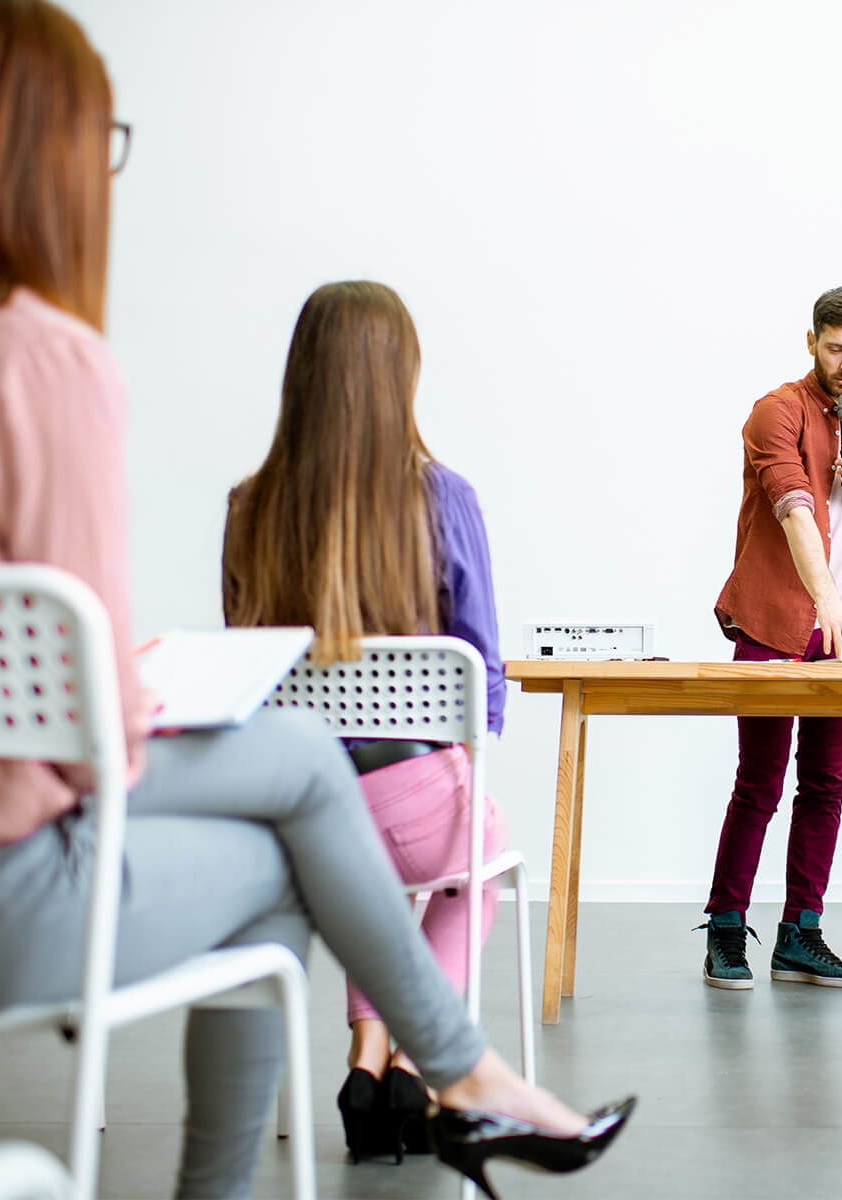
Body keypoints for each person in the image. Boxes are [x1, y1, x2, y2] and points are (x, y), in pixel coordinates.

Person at [0, 4, 630, 1197]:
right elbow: (93, 741)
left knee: (300, 790)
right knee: (290, 827)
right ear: (29, 155)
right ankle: (463, 1077)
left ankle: (451, 1077)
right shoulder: (37, 361)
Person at [221, 280, 511, 1163]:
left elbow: (246, 672)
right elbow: (480, 668)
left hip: (299, 812)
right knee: (473, 865)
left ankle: (365, 1056)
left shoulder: (250, 506)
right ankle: (411, 1066)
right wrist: (466, 757)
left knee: (366, 868)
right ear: (402, 377)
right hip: (415, 794)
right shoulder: (444, 497)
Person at [700, 285, 842, 989]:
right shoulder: (777, 411)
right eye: (836, 349)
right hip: (775, 622)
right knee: (758, 783)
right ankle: (726, 930)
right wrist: (826, 601)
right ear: (811, 341)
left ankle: (800, 934)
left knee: (826, 783)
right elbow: (793, 511)